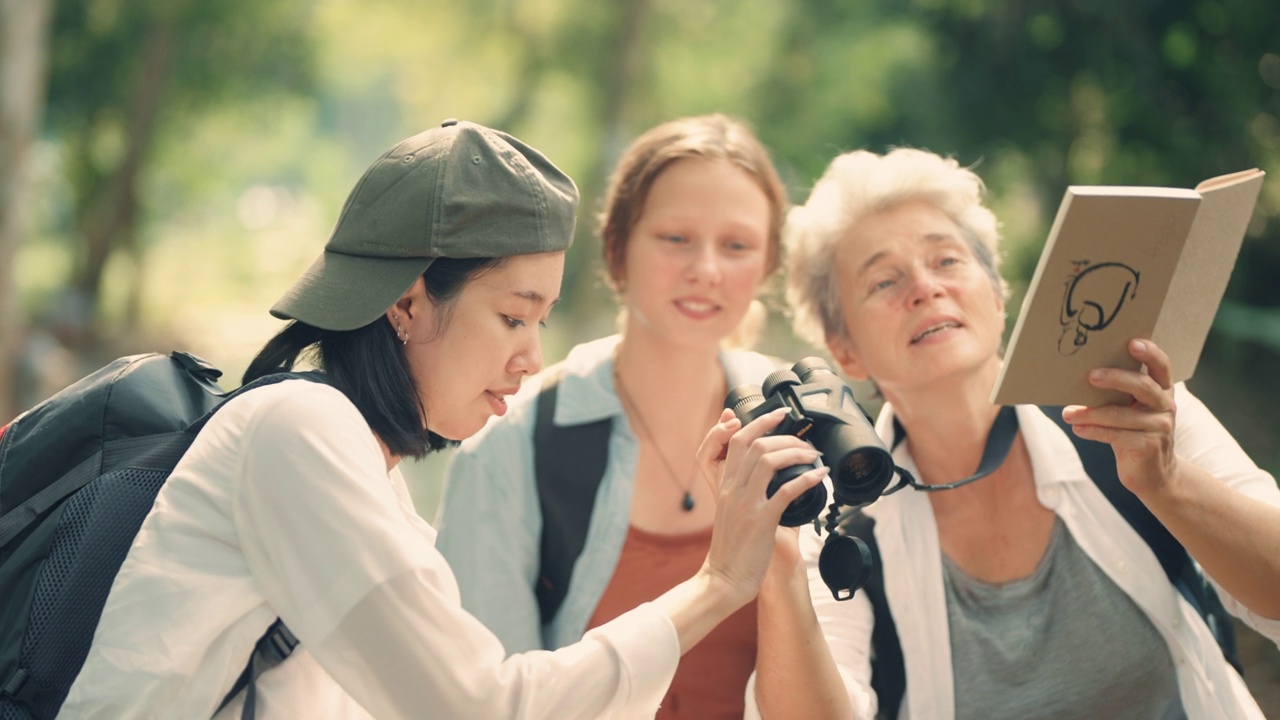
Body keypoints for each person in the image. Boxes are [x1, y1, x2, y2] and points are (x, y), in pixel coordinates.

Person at [60, 119, 827, 719]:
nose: (532, 356)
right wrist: (722, 581)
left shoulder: (366, 472)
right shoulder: (298, 432)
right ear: (405, 303)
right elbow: (483, 706)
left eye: (543, 322)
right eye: (512, 317)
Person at [750, 147, 1280, 719]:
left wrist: (1168, 482)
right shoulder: (841, 525)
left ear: (999, 295)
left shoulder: (1133, 410)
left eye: (947, 260)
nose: (925, 288)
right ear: (843, 349)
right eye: (884, 281)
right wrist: (778, 565)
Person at [435, 114, 794, 719]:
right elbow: (482, 702)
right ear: (616, 248)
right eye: (676, 238)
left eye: (736, 246)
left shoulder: (799, 424)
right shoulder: (514, 443)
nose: (706, 268)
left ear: (766, 267)